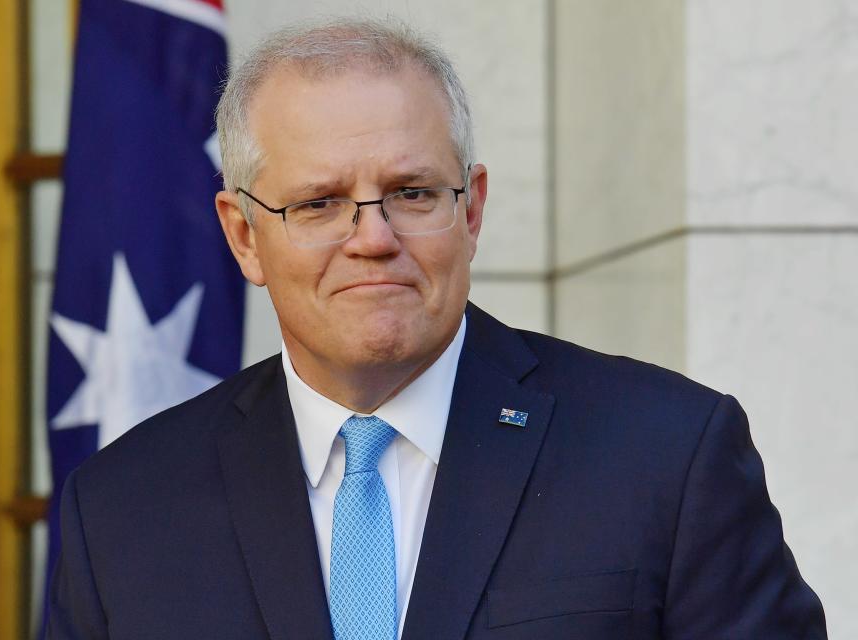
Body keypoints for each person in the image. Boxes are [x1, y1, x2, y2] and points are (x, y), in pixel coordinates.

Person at [47, 18, 827, 640]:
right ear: (245, 235)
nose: (373, 236)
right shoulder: (120, 511)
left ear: (472, 208)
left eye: (412, 192)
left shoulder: (668, 455)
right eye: (318, 203)